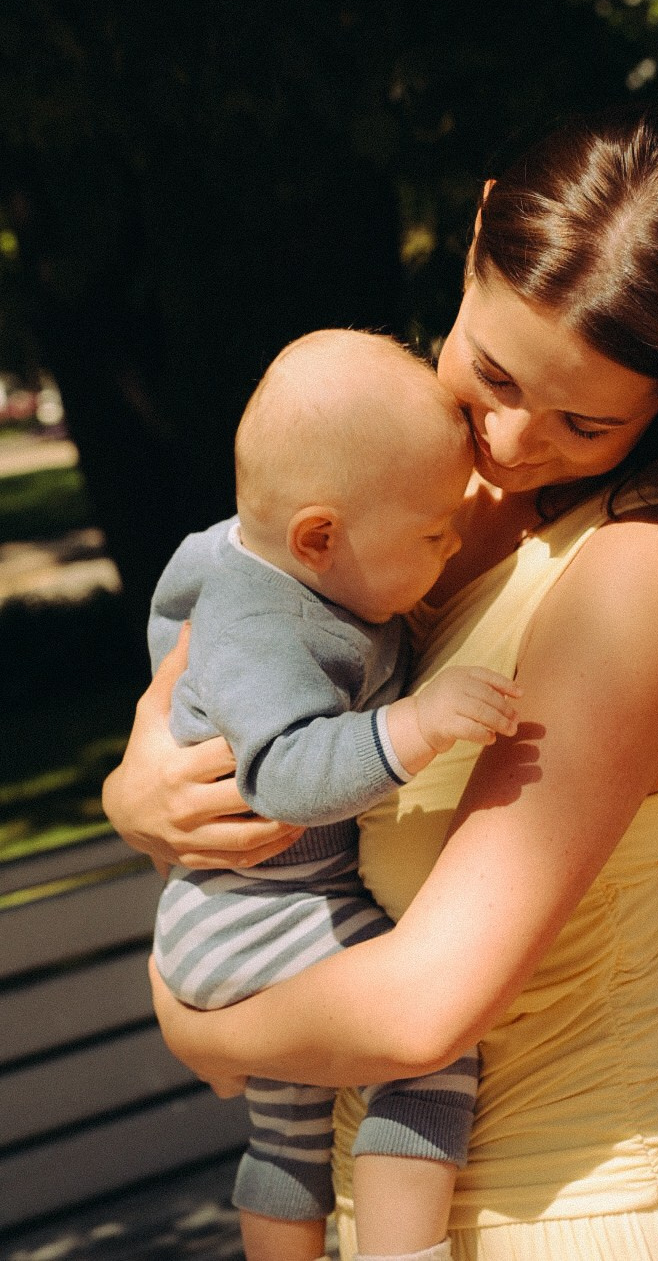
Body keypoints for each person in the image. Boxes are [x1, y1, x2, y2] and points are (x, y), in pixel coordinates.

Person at [105, 106, 658, 1261]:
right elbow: (199, 706)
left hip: (573, 1223)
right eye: (491, 372)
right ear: (480, 226)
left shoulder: (640, 574)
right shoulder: (395, 499)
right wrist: (135, 803)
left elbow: (426, 1007)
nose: (511, 440)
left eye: (584, 423)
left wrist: (195, 1023)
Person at [147, 329, 520, 1261]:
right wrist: (417, 726)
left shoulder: (267, 567)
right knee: (434, 1055)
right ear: (319, 535)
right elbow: (286, 776)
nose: (450, 544)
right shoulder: (265, 623)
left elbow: (172, 607)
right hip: (264, 912)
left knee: (288, 1132)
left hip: (232, 914)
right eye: (432, 534)